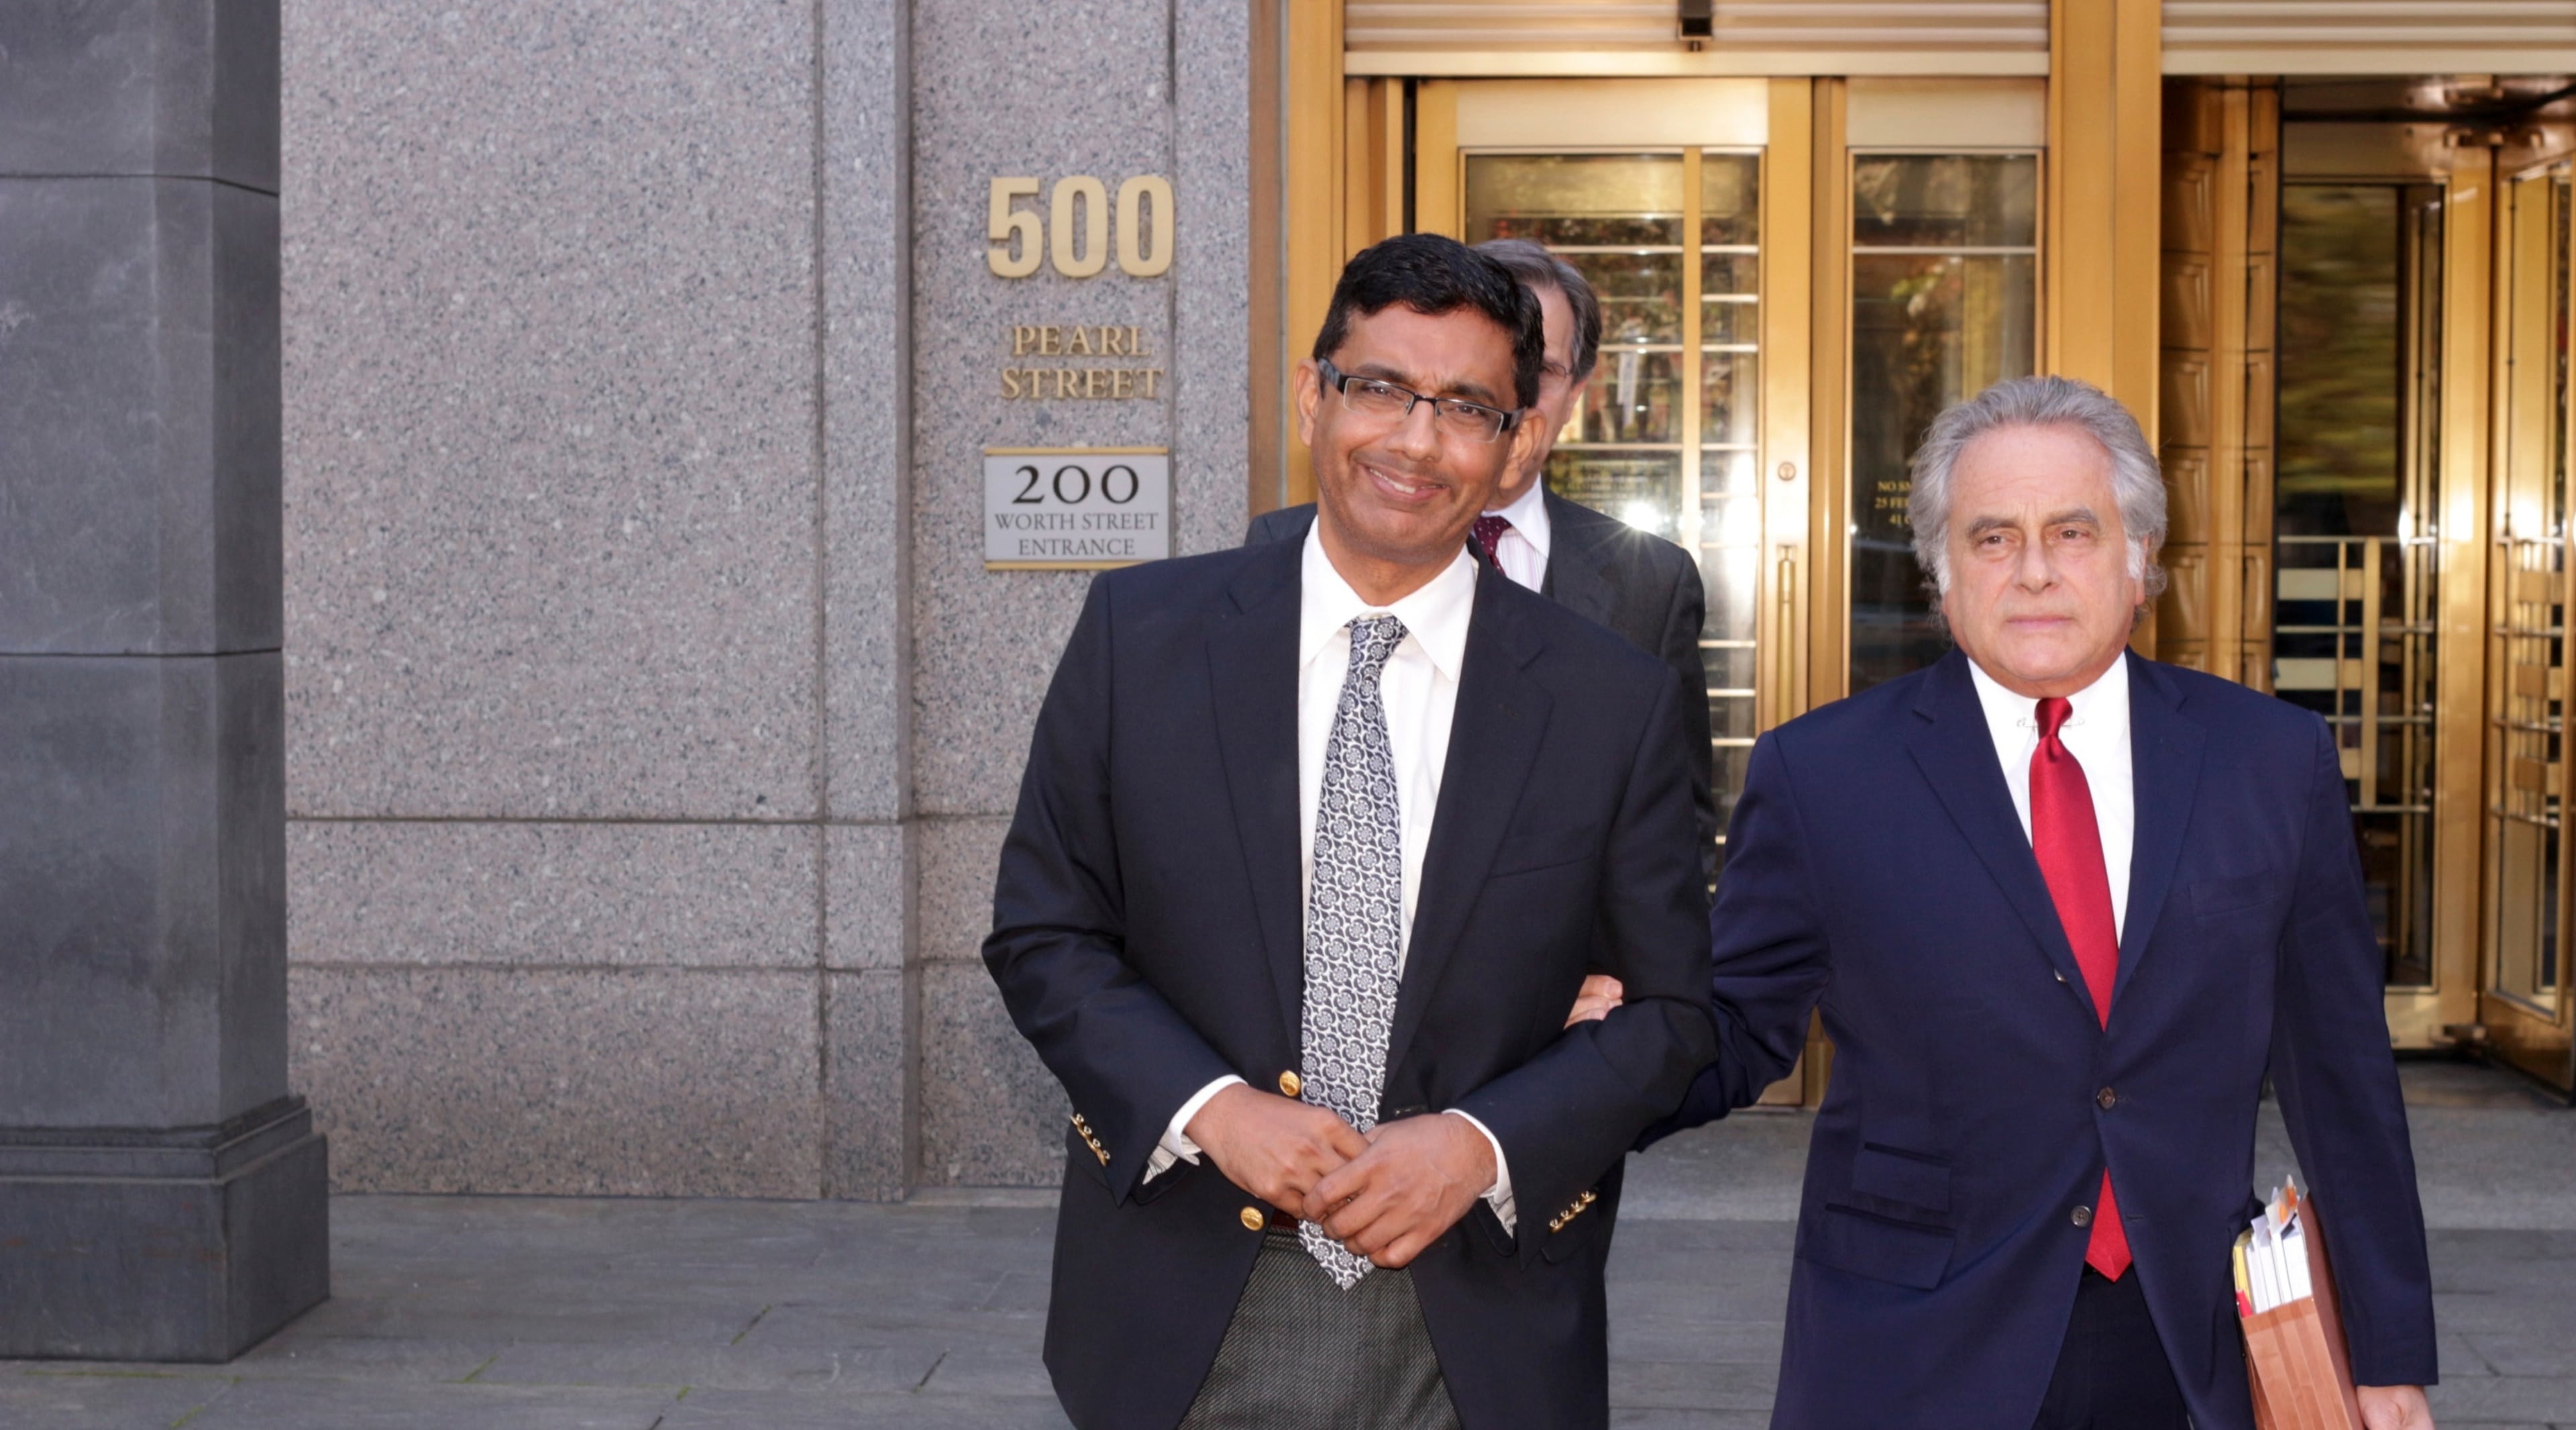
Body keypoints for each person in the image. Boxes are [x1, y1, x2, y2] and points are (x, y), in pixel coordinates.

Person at [984, 233, 1720, 1430]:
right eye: (1380, 388)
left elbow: (1675, 1015)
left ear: (1518, 438)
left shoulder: (1606, 700)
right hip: (1185, 1291)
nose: (1416, 441)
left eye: (1467, 407)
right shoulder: (1141, 637)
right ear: (1314, 397)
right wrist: (1213, 1107)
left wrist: (1483, 1144)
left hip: (1476, 1318)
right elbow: (1045, 935)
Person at [1633, 375, 2440, 1428]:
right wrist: (1611, 1045)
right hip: (1915, 1339)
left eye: (2073, 532)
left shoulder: (2269, 762)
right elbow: (1736, 1027)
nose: (2036, 574)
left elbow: (2343, 1076)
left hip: (2191, 1336)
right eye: (1993, 539)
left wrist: (2385, 1354)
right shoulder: (1826, 774)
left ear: (2142, 558)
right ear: (1941, 575)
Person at [1247, 236, 1718, 891]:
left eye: (1543, 373)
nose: (1519, 396)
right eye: (1386, 388)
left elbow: (1676, 842)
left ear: (1575, 392)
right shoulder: (1276, 553)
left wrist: (1625, 983)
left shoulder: (1650, 583)